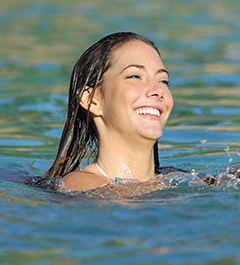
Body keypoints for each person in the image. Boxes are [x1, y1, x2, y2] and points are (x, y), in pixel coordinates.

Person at [42, 32, 175, 193]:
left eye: (163, 80)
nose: (158, 90)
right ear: (92, 99)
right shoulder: (79, 185)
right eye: (134, 76)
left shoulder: (181, 180)